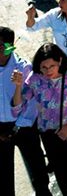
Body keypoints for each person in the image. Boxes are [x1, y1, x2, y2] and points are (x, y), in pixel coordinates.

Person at [11, 43, 67, 196]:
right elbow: (17, 109)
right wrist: (18, 86)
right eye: (44, 67)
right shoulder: (34, 79)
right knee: (64, 180)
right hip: (50, 138)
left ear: (60, 61)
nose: (48, 71)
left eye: (52, 66)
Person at [0, 27, 51, 196]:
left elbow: (30, 105)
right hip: (0, 128)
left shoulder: (24, 68)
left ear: (8, 47)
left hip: (24, 126)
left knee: (37, 170)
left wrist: (16, 128)